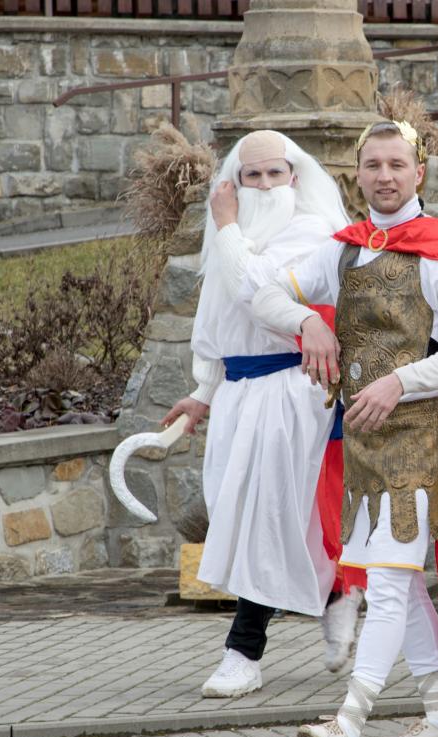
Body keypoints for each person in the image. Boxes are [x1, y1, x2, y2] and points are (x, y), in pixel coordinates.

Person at [251, 120, 438, 737]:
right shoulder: (343, 251)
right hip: (366, 445)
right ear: (359, 174)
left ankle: (349, 720)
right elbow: (263, 295)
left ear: (419, 171)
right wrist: (309, 321)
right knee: (392, 581)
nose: (386, 176)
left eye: (397, 164)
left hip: (420, 440)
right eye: (374, 165)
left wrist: (401, 381)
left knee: (392, 584)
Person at [162, 130, 362, 700]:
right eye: (254, 175)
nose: (267, 185)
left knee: (266, 516)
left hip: (292, 389)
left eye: (276, 173)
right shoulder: (233, 237)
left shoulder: (310, 230)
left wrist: (226, 225)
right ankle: (337, 593)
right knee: (244, 512)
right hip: (239, 393)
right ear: (237, 180)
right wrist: (204, 391)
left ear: (294, 176)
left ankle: (243, 651)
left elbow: (256, 290)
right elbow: (216, 316)